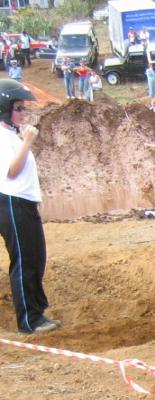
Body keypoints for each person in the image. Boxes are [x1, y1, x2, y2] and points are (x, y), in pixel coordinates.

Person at [0, 80, 62, 334]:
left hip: (24, 203)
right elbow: (12, 172)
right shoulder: (3, 137)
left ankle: (37, 311)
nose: (23, 113)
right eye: (19, 108)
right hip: (11, 202)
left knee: (36, 257)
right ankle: (29, 321)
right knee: (24, 260)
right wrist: (27, 142)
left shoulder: (11, 134)